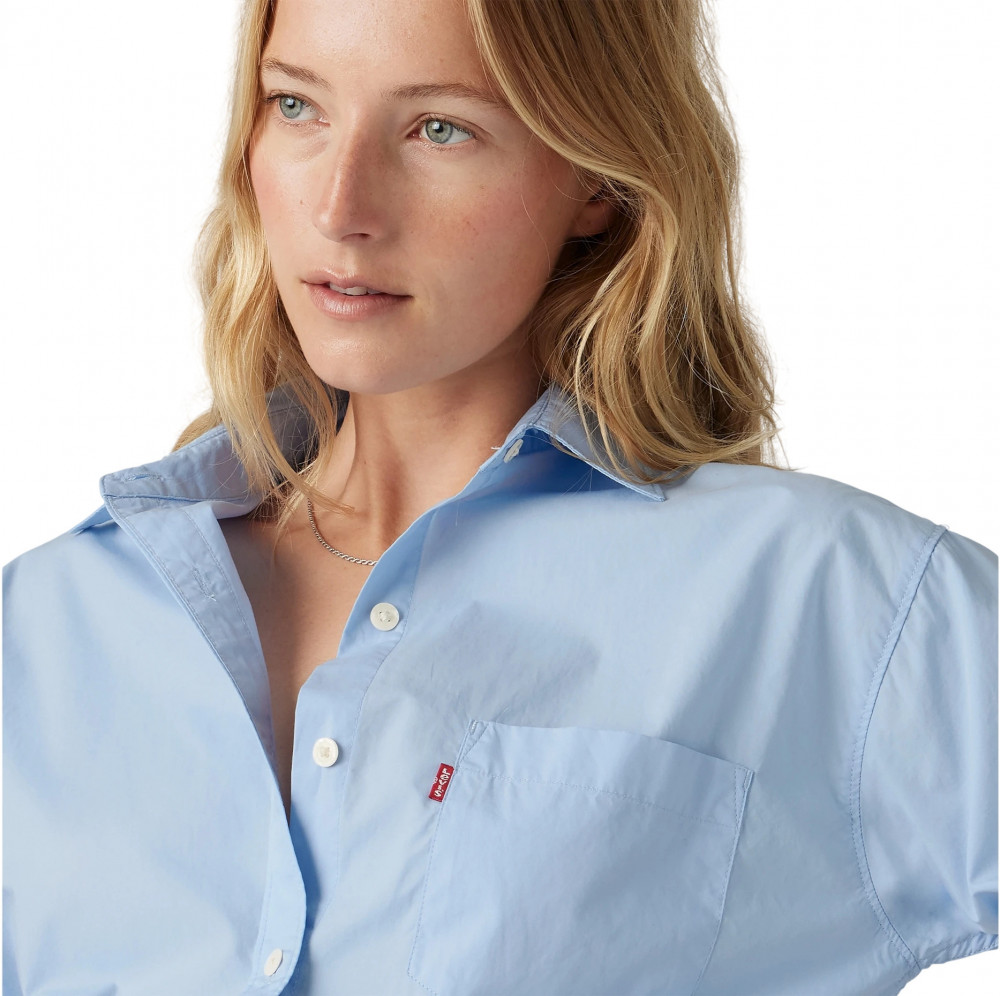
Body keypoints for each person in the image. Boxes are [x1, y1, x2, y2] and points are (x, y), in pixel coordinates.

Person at [3, 0, 996, 993]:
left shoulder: (828, 605)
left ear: (598, 178)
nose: (340, 207)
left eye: (439, 128)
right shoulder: (48, 627)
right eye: (297, 106)